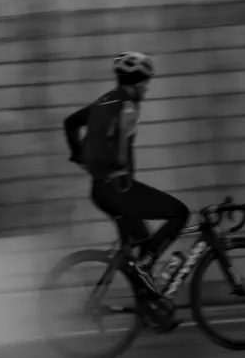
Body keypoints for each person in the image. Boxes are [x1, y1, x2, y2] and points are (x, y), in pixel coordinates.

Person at [63, 51, 189, 324]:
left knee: (140, 243)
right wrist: (114, 164)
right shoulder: (128, 108)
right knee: (180, 213)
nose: (146, 88)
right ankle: (145, 267)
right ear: (134, 82)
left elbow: (70, 123)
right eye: (144, 82)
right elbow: (120, 156)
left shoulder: (105, 100)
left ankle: (149, 311)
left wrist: (79, 156)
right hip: (119, 190)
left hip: (102, 190)